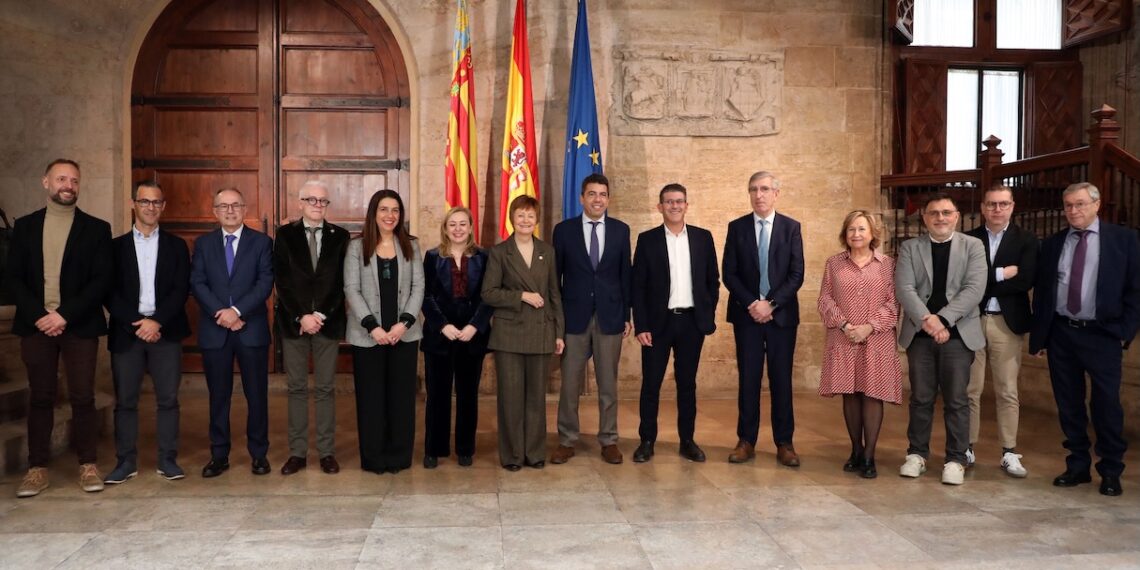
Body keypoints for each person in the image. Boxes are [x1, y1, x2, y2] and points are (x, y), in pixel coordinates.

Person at [7, 158, 112, 497]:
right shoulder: (23, 227)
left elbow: (101, 281)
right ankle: (37, 469)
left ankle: (88, 465)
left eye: (74, 180)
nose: (68, 185)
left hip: (78, 325)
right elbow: (13, 278)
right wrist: (40, 314)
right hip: (36, 325)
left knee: (82, 396)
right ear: (46, 182)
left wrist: (63, 314)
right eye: (62, 179)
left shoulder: (97, 229)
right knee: (41, 397)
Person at [1029, 182, 1140, 497]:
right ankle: (1077, 465)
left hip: (1102, 334)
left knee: (1106, 403)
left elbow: (1136, 290)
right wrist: (1041, 337)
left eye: (1079, 204)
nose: (1073, 211)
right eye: (1068, 205)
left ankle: (1110, 469)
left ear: (1096, 205)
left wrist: (1123, 331)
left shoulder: (1124, 240)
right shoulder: (1052, 244)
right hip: (1062, 333)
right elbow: (1044, 293)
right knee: (1069, 403)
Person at [895, 192, 987, 485]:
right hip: (920, 335)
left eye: (946, 212)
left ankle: (956, 458)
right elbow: (905, 288)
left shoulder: (973, 246)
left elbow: (974, 289)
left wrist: (943, 319)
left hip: (958, 335)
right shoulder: (910, 247)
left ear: (957, 216)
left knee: (957, 399)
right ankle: (917, 454)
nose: (940, 218)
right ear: (924, 218)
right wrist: (929, 321)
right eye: (934, 213)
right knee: (920, 398)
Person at [104, 180, 191, 485]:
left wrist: (157, 322)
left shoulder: (177, 245)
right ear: (133, 204)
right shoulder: (115, 247)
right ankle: (125, 461)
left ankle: (167, 459)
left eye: (156, 202)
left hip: (165, 333)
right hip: (128, 334)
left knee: (168, 399)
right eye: (145, 202)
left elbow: (181, 289)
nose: (150, 208)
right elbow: (109, 292)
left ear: (163, 207)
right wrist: (136, 324)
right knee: (125, 401)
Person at [631, 183, 719, 463]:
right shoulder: (647, 240)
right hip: (658, 324)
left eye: (679, 201)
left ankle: (687, 440)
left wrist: (706, 313)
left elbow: (712, 281)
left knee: (687, 385)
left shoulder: (703, 238)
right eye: (669, 202)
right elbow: (638, 286)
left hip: (692, 323)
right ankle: (646, 441)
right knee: (651, 385)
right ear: (660, 207)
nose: (674, 206)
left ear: (686, 205)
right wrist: (641, 325)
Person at [190, 187, 275, 478]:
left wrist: (236, 312)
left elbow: (265, 284)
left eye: (235, 205)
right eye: (223, 206)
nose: (229, 210)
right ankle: (219, 454)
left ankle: (259, 454)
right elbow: (198, 283)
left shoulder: (262, 243)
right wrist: (222, 314)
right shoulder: (203, 244)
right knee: (218, 396)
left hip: (251, 330)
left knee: (257, 395)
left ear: (245, 209)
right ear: (214, 211)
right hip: (216, 331)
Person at [722, 171, 805, 466]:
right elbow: (728, 273)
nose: (759, 195)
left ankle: (785, 443)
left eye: (765, 189)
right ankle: (746, 440)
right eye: (754, 189)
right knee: (749, 379)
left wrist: (770, 304)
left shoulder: (791, 228)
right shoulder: (737, 227)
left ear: (776, 193)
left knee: (781, 380)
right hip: (747, 318)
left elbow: (797, 274)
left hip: (781, 318)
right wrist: (752, 304)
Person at [550, 173, 632, 465]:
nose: (598, 199)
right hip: (574, 319)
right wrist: (557, 320)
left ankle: (609, 440)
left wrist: (627, 315)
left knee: (608, 384)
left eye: (603, 194)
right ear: (582, 198)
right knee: (570, 384)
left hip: (610, 317)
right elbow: (554, 279)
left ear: (608, 199)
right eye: (592, 194)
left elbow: (626, 276)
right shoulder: (564, 231)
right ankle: (566, 440)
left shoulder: (621, 231)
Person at [482, 195, 565, 471]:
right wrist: (522, 296)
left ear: (537, 220)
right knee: (511, 398)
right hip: (509, 335)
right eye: (520, 215)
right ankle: (513, 455)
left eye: (530, 216)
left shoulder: (547, 251)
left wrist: (559, 333)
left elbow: (555, 295)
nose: (526, 220)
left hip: (541, 332)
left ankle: (535, 453)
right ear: (512, 218)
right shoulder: (499, 252)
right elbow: (489, 293)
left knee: (536, 399)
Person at [344, 189, 424, 474]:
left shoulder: (412, 246)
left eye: (395, 210)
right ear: (373, 214)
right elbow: (351, 289)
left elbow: (418, 288)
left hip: (404, 335)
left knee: (401, 398)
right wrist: (373, 328)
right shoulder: (357, 247)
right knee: (371, 399)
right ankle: (374, 458)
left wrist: (403, 324)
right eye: (384, 210)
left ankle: (400, 457)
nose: (390, 215)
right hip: (368, 336)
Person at [816, 210, 901, 479]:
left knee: (873, 394)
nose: (856, 234)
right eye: (852, 229)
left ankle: (869, 456)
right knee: (850, 393)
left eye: (862, 229)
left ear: (873, 233)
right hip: (843, 337)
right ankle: (855, 449)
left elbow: (894, 301)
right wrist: (844, 325)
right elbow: (825, 299)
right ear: (845, 233)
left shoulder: (888, 264)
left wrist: (869, 327)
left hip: (877, 339)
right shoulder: (834, 264)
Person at [274, 181, 350, 476]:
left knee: (325, 389)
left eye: (323, 201)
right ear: (300, 203)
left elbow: (342, 283)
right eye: (312, 200)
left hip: (328, 322)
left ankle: (327, 452)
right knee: (295, 388)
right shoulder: (285, 235)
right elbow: (282, 281)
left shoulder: (340, 237)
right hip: (294, 324)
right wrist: (302, 316)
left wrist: (319, 314)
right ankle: (297, 453)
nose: (318, 205)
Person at [965, 185, 1038, 478]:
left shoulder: (1027, 240)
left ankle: (1009, 451)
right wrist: (1000, 273)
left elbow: (1025, 281)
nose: (997, 209)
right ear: (983, 207)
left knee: (1007, 390)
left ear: (1012, 206)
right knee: (970, 389)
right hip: (971, 320)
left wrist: (984, 281)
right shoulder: (969, 239)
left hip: (1005, 324)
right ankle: (967, 447)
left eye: (1003, 204)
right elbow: (965, 282)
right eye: (992, 204)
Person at [421, 207, 492, 469]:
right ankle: (433, 449)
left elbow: (489, 295)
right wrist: (442, 325)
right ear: (445, 228)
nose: (458, 229)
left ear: (471, 228)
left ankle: (465, 448)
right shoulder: (432, 257)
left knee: (467, 395)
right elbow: (425, 295)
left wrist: (475, 325)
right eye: (453, 224)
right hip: (440, 337)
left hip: (472, 337)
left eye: (463, 224)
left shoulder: (484, 257)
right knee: (437, 395)